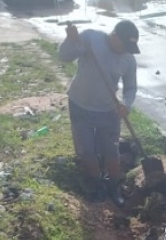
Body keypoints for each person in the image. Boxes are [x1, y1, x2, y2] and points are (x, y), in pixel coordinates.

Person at [58, 19, 141, 206]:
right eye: (125, 45)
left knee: (112, 151)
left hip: (108, 110)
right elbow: (63, 56)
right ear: (114, 36)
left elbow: (131, 88)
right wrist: (71, 40)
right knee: (87, 151)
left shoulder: (128, 59)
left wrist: (126, 104)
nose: (127, 50)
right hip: (80, 105)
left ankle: (113, 186)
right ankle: (98, 185)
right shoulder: (90, 39)